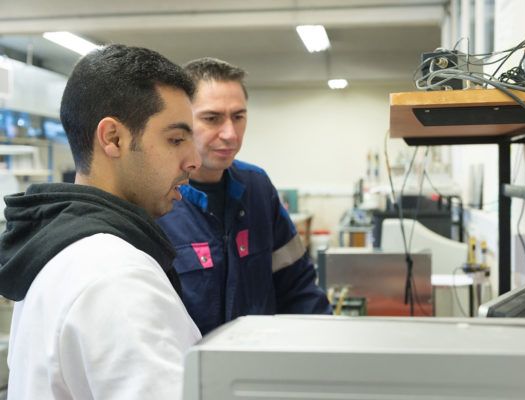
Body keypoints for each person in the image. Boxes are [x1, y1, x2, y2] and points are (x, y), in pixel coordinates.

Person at [0, 44, 202, 400]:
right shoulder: (117, 276)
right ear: (113, 138)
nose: (193, 160)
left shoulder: (57, 248)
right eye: (175, 139)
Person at [157, 57, 332, 335]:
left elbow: (298, 287)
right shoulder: (156, 200)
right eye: (212, 118)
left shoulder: (257, 187)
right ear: (181, 121)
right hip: (189, 373)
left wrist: (326, 347)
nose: (230, 134)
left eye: (238, 117)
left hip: (256, 367)